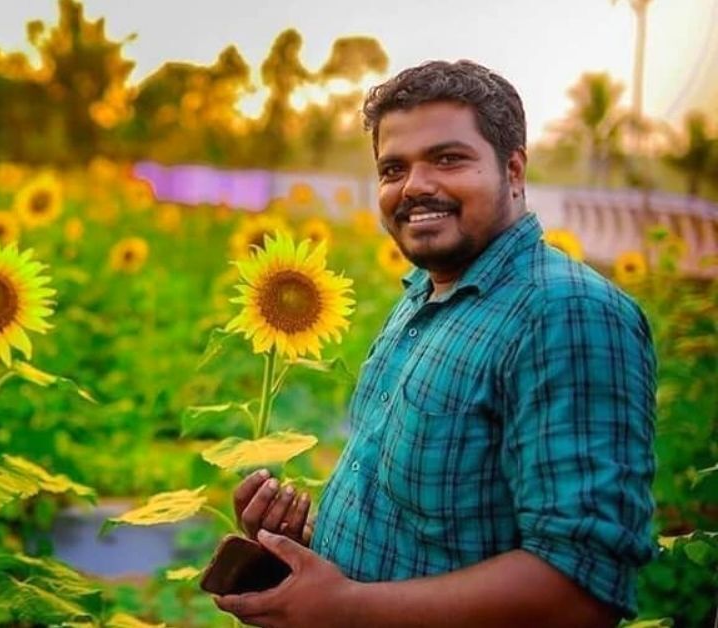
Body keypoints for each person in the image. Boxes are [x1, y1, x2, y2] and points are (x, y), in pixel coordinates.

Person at [215, 60, 657, 627]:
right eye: (393, 168)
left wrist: (346, 609)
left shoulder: (567, 314)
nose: (415, 186)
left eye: (448, 159)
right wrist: (304, 545)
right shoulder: (425, 295)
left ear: (514, 168)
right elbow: (425, 527)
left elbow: (581, 588)